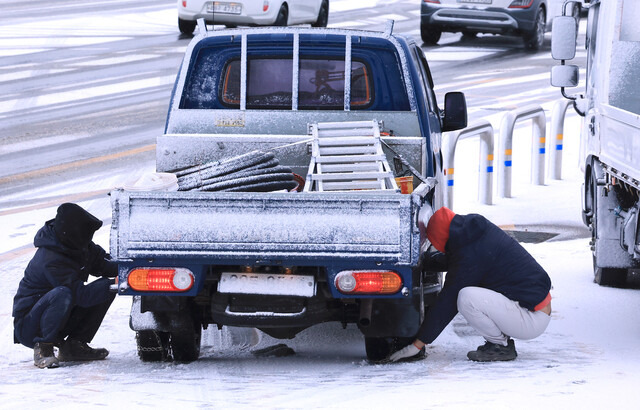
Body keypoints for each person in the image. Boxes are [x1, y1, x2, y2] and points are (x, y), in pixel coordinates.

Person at [390, 207, 552, 363]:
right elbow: (457, 259)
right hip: (533, 307)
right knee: (468, 294)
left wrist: (418, 344)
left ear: (441, 238)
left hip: (532, 319)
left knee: (465, 298)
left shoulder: (471, 256)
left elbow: (447, 302)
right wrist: (424, 262)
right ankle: (499, 342)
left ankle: (500, 346)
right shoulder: (475, 234)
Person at [12, 203, 118, 369]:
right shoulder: (51, 259)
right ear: (74, 233)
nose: (88, 240)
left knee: (109, 288)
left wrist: (134, 269)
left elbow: (105, 265)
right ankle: (43, 349)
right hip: (30, 326)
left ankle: (74, 346)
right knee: (63, 293)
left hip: (61, 315)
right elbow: (81, 296)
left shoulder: (78, 246)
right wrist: (118, 282)